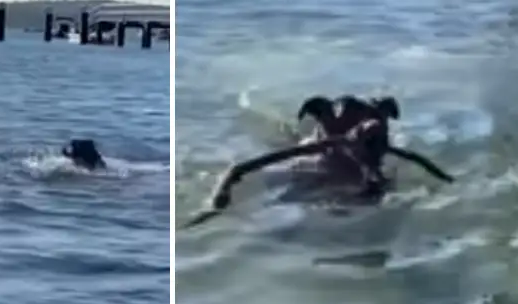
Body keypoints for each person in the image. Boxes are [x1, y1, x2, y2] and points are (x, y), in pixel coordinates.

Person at [182, 96, 452, 228]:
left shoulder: (380, 149)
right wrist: (215, 208)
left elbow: (424, 169)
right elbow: (237, 169)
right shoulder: (324, 147)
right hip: (315, 164)